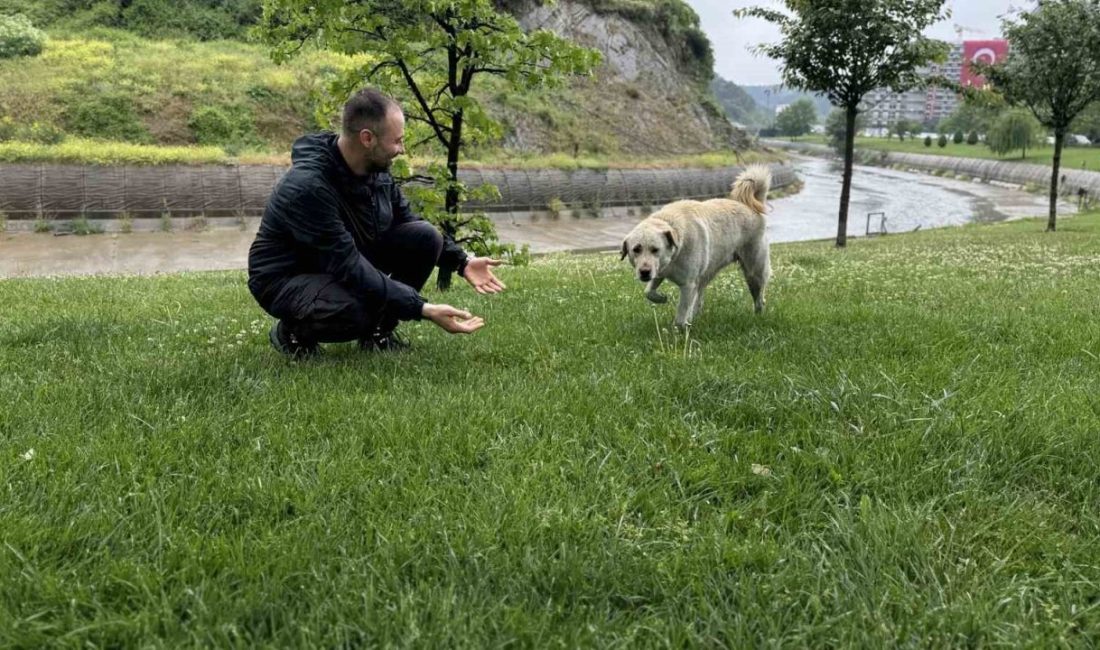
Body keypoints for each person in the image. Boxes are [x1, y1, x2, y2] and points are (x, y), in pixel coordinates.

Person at [247, 88, 505, 357]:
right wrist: (421, 308)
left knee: (426, 237)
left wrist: (461, 262)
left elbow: (409, 221)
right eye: (397, 141)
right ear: (367, 139)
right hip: (286, 278)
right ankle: (292, 333)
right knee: (357, 310)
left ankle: (377, 332)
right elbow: (348, 265)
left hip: (341, 260)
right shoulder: (308, 187)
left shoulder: (374, 171)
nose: (401, 150)